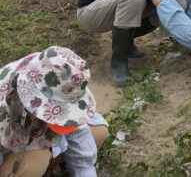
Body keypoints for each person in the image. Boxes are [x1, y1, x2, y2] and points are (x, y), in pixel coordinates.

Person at [0, 46, 109, 177]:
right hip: (9, 152)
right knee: (35, 160)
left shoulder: (60, 80)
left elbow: (79, 138)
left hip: (38, 142)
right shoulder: (6, 104)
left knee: (99, 131)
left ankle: (50, 161)